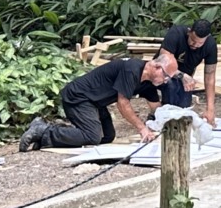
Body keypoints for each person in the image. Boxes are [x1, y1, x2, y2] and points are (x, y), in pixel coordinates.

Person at [19, 55, 172, 151]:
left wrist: (164, 125)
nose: (165, 81)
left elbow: (156, 108)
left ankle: (46, 139)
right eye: (165, 76)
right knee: (92, 136)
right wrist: (142, 128)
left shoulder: (149, 83)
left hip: (96, 103)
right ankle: (43, 131)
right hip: (79, 97)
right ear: (156, 67)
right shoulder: (132, 69)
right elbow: (122, 104)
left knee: (107, 137)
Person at [146, 20, 219, 128]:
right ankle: (161, 120)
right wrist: (181, 75)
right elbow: (163, 62)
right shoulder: (176, 33)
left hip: (185, 78)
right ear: (189, 32)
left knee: (183, 107)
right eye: (193, 40)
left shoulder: (211, 45)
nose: (195, 45)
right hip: (162, 73)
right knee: (171, 87)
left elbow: (210, 77)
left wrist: (210, 109)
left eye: (200, 43)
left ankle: (173, 123)